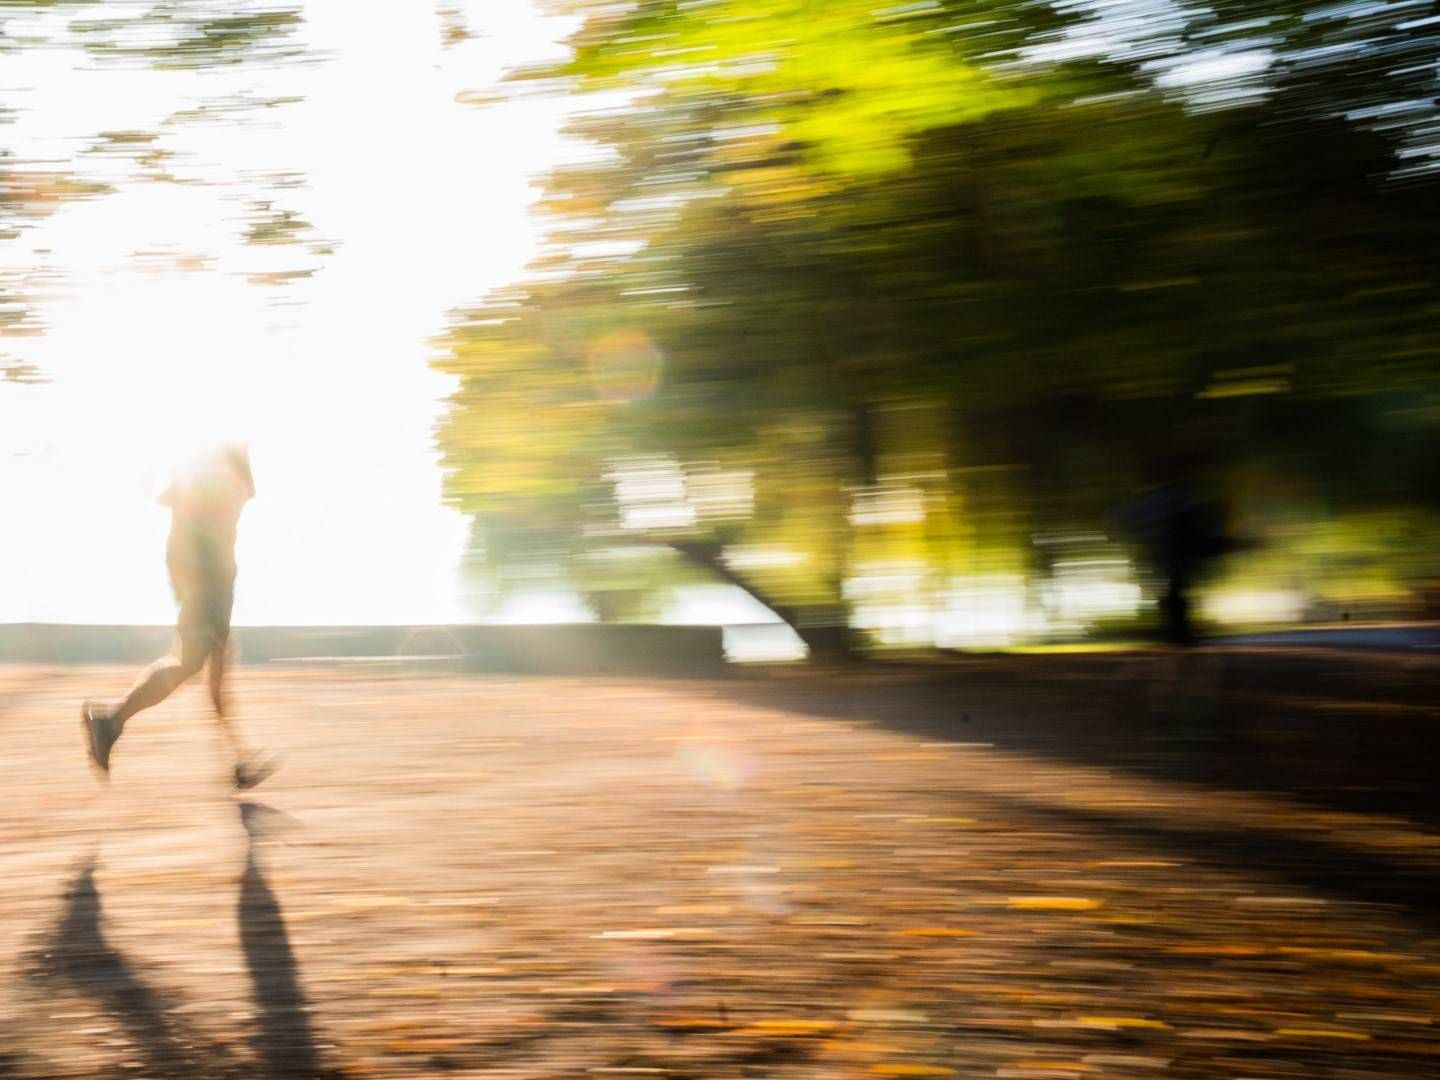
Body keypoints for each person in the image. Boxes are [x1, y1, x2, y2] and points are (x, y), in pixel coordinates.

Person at [82, 443, 276, 789]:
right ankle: (110, 720)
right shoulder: (219, 447)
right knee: (190, 663)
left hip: (208, 575)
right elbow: (239, 493)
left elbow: (170, 496)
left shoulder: (202, 452)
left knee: (214, 674)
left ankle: (238, 761)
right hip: (207, 577)